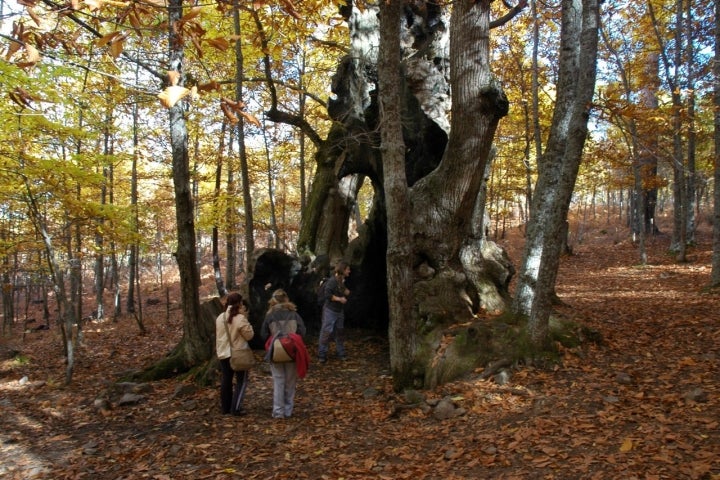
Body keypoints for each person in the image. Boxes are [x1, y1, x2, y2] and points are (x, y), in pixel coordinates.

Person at [260, 289, 308, 419]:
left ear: (273, 300)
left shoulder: (269, 316)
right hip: (292, 350)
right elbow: (302, 331)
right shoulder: (294, 314)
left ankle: (278, 411)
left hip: (276, 350)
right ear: (286, 299)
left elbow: (263, 334)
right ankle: (288, 410)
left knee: (278, 380)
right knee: (290, 381)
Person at [215, 293, 254, 416]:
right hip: (238, 353)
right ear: (240, 304)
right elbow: (250, 335)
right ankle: (236, 408)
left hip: (223, 353)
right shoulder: (240, 318)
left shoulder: (220, 317)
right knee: (241, 381)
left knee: (226, 380)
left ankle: (225, 408)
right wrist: (245, 318)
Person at [318, 260, 350, 364]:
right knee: (326, 332)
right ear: (343, 270)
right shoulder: (332, 281)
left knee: (339, 332)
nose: (349, 271)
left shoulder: (341, 281)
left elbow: (344, 291)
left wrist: (347, 292)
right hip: (330, 311)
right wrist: (340, 299)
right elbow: (327, 294)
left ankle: (341, 353)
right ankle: (322, 355)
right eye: (347, 269)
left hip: (339, 311)